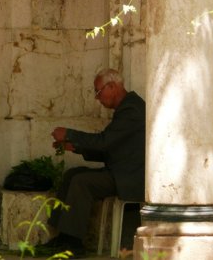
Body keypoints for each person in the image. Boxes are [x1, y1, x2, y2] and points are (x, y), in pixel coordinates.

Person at [35, 68, 145, 257]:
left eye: (97, 91)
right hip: (120, 172)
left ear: (112, 86)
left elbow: (104, 142)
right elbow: (111, 149)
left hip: (130, 177)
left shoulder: (132, 109)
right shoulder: (127, 108)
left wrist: (70, 134)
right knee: (72, 174)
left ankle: (74, 243)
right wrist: (74, 147)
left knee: (82, 182)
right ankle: (62, 237)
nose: (97, 98)